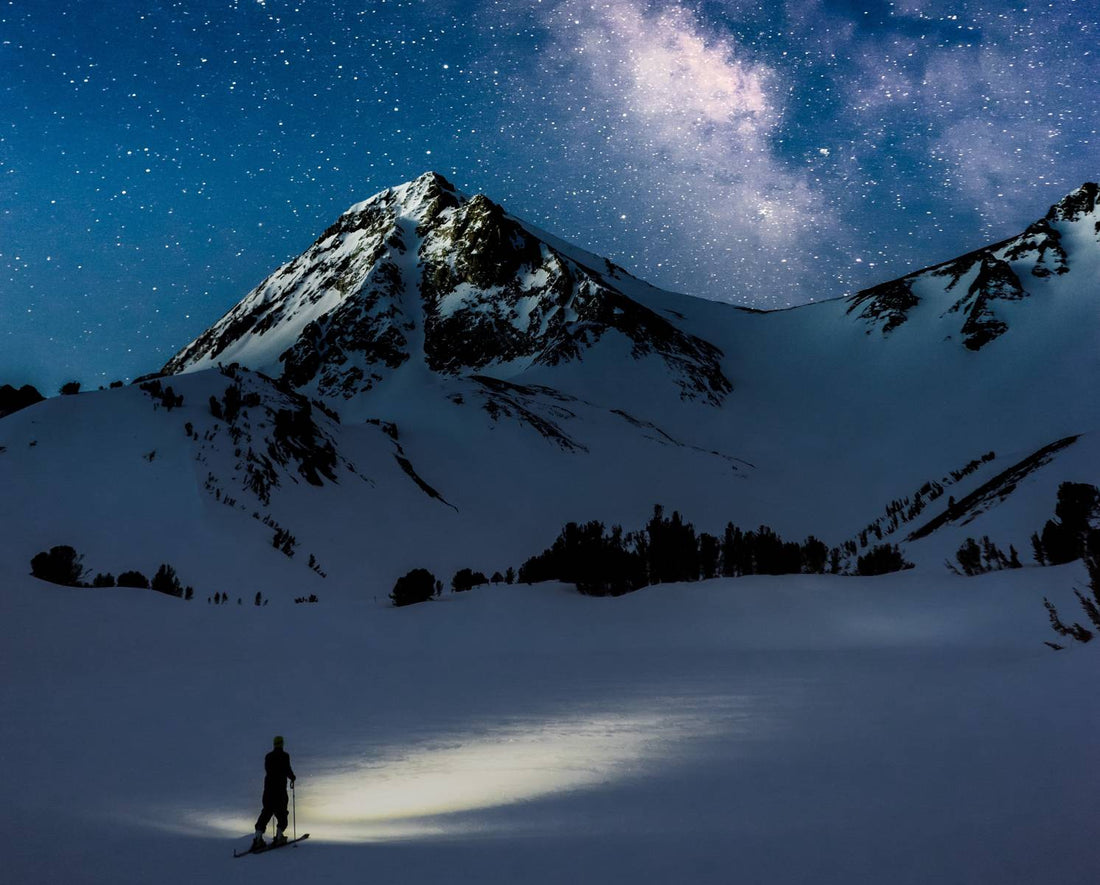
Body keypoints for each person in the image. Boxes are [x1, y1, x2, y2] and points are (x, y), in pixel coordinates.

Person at [253, 735, 296, 849]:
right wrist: (292, 777)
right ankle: (279, 836)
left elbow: (268, 769)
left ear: (274, 744)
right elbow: (287, 769)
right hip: (280, 790)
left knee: (266, 811)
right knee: (281, 812)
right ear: (282, 744)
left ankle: (258, 837)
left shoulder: (268, 756)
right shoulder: (285, 756)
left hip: (268, 790)